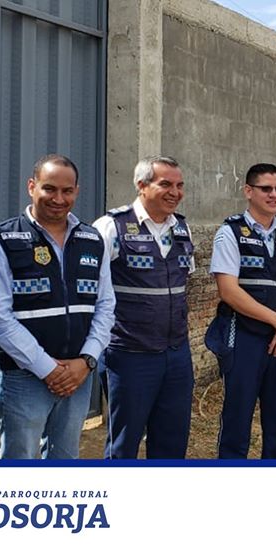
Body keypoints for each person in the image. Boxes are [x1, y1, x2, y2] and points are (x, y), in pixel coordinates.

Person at [0, 154, 115, 459]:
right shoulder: (1, 240)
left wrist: (87, 360)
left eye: (67, 191)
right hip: (25, 378)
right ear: (32, 186)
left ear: (77, 191)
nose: (58, 199)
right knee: (21, 462)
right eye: (49, 189)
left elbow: (106, 306)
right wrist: (47, 368)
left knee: (65, 459)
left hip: (78, 377)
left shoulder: (92, 240)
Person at [92, 155, 195, 459]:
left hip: (176, 354)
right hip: (129, 355)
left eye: (179, 185)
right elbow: (90, 289)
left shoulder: (182, 229)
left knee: (172, 441)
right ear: (141, 185)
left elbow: (183, 285)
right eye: (166, 184)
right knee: (124, 443)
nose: (175, 192)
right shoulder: (111, 227)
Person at [208, 163, 276, 459]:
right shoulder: (230, 233)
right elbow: (228, 291)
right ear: (248, 191)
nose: (274, 194)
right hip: (243, 337)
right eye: (266, 188)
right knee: (237, 417)